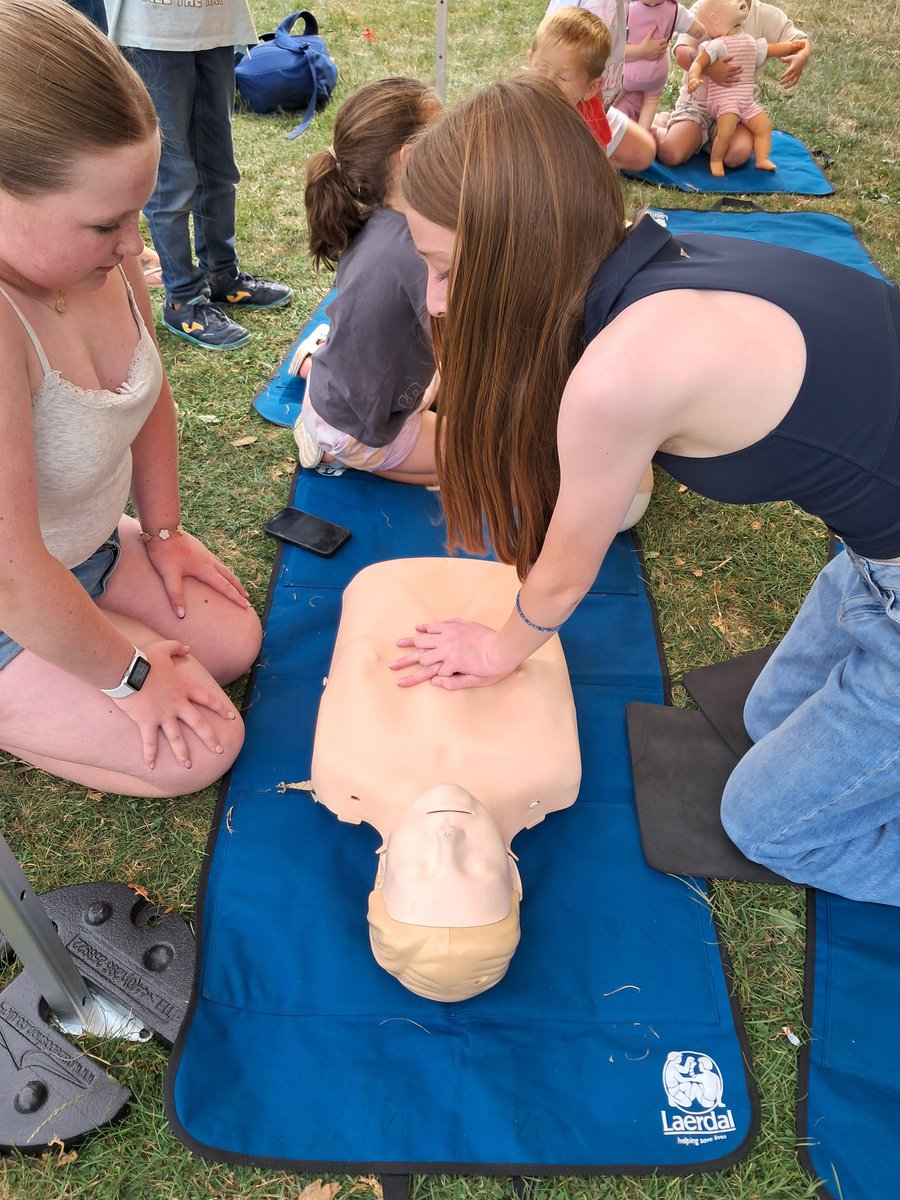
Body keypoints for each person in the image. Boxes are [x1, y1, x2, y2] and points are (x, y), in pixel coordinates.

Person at [391, 75, 900, 906]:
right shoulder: (650, 250)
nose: (434, 297)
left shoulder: (621, 375)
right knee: (766, 719)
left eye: (442, 269)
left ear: (516, 255)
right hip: (871, 561)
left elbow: (560, 575)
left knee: (771, 823)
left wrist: (493, 650)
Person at [0, 0, 262, 798]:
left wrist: (165, 531)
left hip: (78, 553)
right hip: (13, 597)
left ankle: (89, 635)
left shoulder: (99, 264)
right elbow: (12, 580)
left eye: (137, 212)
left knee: (236, 642)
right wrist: (131, 674)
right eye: (106, 223)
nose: (135, 247)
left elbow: (150, 402)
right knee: (206, 746)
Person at [311, 557, 582, 1001]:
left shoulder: (342, 772)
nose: (448, 836)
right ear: (515, 883)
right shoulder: (554, 774)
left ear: (381, 875)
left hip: (388, 580)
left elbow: (359, 644)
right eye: (477, 868)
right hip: (520, 589)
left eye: (419, 869)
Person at [104, 0, 292, 351]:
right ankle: (182, 299)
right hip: (153, 31)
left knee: (219, 167)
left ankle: (222, 274)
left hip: (216, 24)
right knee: (172, 176)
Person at [292, 78, 441, 485]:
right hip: (358, 428)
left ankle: (310, 362)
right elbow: (462, 353)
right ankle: (335, 450)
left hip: (339, 388)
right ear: (409, 158)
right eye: (446, 140)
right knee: (478, 461)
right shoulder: (420, 249)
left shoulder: (371, 216)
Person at [654, 0, 811, 167]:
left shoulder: (765, 15)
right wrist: (710, 69)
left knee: (737, 156)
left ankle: (709, 142)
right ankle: (659, 125)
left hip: (737, 108)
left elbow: (800, 40)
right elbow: (682, 52)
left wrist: (802, 55)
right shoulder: (706, 7)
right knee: (671, 154)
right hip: (698, 106)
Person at [536, 4, 657, 171]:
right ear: (530, 59)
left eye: (562, 78)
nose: (548, 82)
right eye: (541, 69)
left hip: (587, 109)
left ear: (591, 89)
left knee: (645, 151)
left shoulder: (591, 114)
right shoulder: (520, 104)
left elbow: (597, 175)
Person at [619, 0, 708, 129]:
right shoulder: (675, 10)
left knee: (611, 100)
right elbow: (699, 31)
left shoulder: (627, 6)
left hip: (628, 71)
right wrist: (708, 41)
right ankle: (642, 137)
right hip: (656, 74)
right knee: (650, 103)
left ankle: (601, 127)